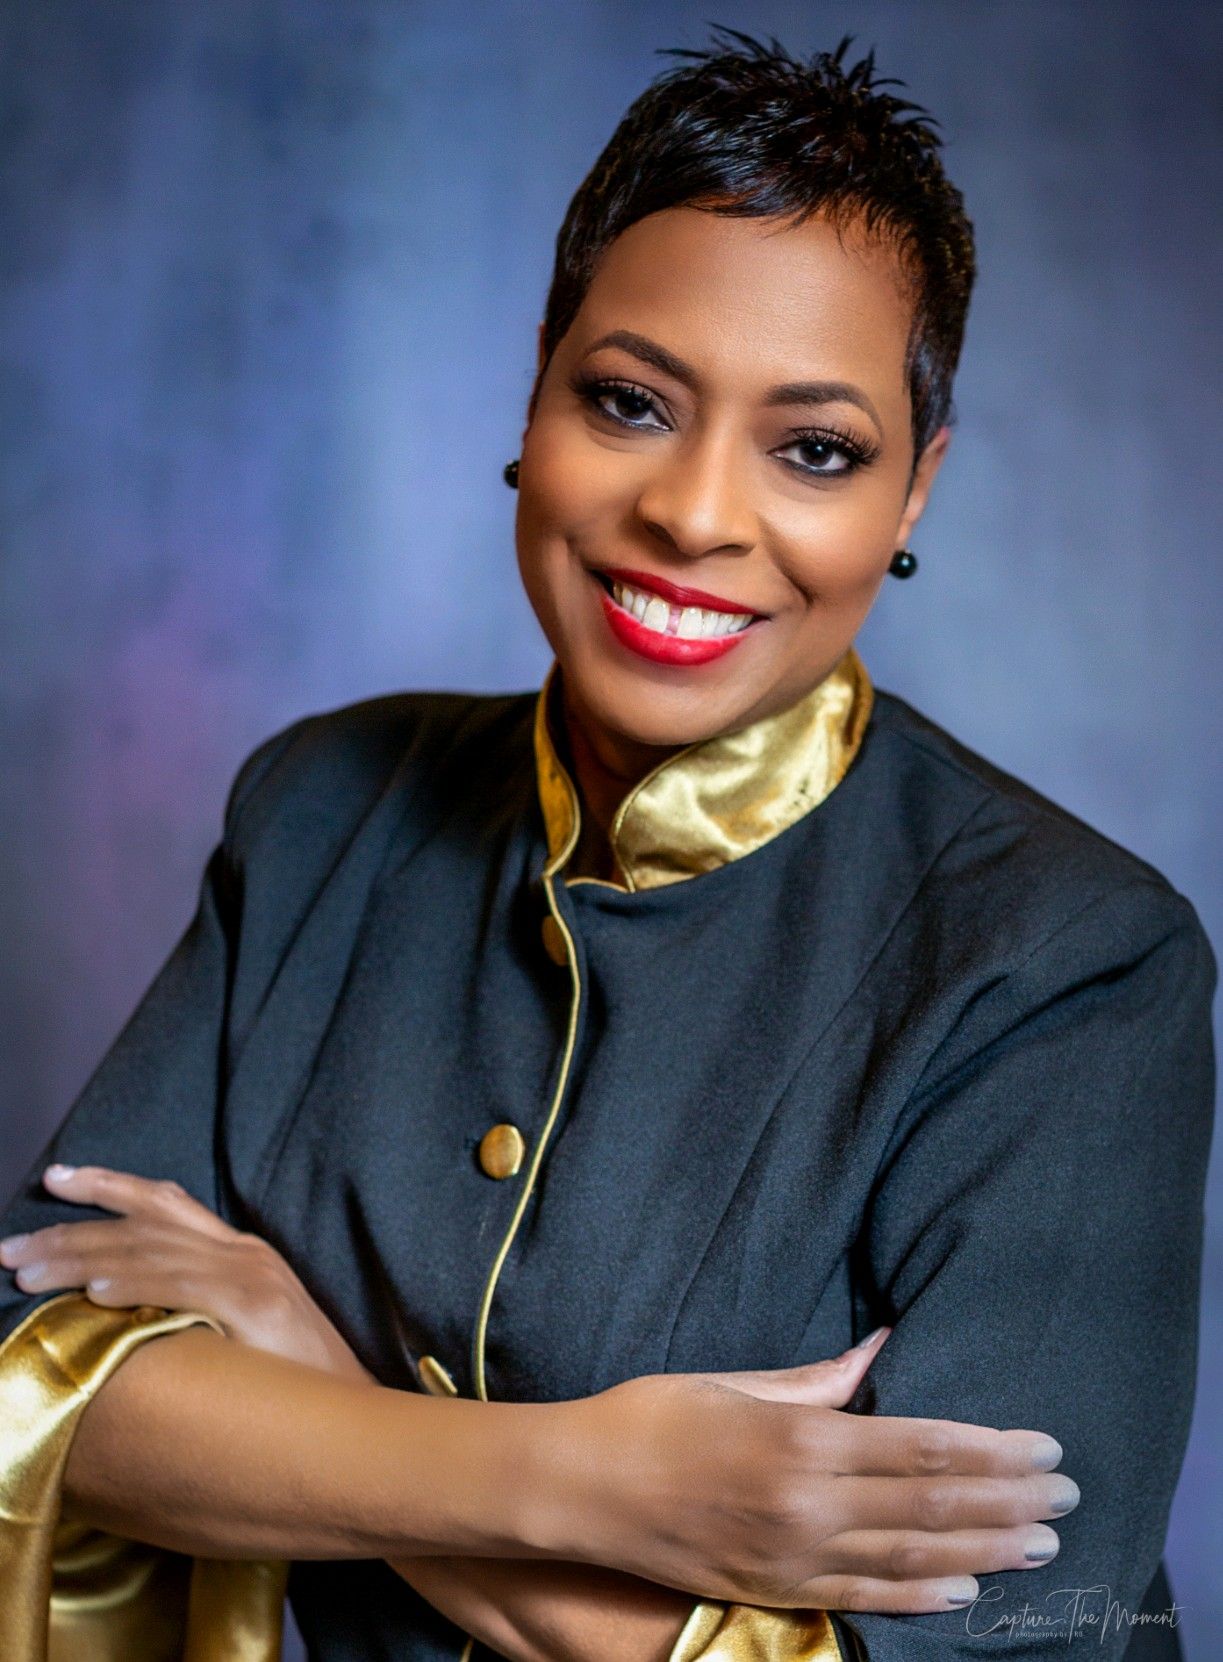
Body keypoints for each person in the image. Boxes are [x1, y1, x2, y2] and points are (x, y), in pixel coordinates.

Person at [0, 29, 1213, 1662]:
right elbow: (43, 1368)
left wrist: (312, 1394)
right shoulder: (317, 810)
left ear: (914, 493)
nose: (698, 513)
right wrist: (592, 1482)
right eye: (631, 401)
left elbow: (1015, 1635)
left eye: (816, 446)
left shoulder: (1073, 959)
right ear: (536, 396)